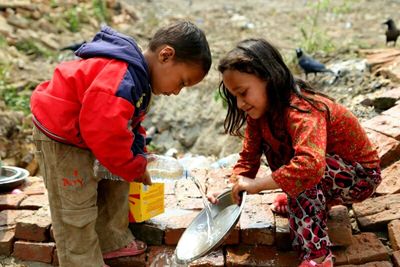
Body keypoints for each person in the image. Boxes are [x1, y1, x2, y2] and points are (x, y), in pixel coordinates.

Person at [31, 21, 211, 267]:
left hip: (85, 134)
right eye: (182, 82)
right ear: (165, 55)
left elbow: (129, 125)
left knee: (116, 180)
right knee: (75, 209)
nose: (177, 92)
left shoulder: (138, 80)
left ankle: (110, 240)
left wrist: (139, 155)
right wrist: (134, 166)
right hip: (60, 138)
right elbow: (104, 133)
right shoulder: (122, 77)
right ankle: (82, 261)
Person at [207, 39, 381, 267]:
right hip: (326, 173)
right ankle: (312, 202)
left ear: (268, 78)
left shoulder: (302, 109)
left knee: (304, 172)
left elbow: (310, 166)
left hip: (360, 178)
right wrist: (229, 192)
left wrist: (259, 184)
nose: (239, 104)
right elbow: (248, 159)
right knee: (299, 176)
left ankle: (317, 256)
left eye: (243, 93)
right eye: (235, 96)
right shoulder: (259, 116)